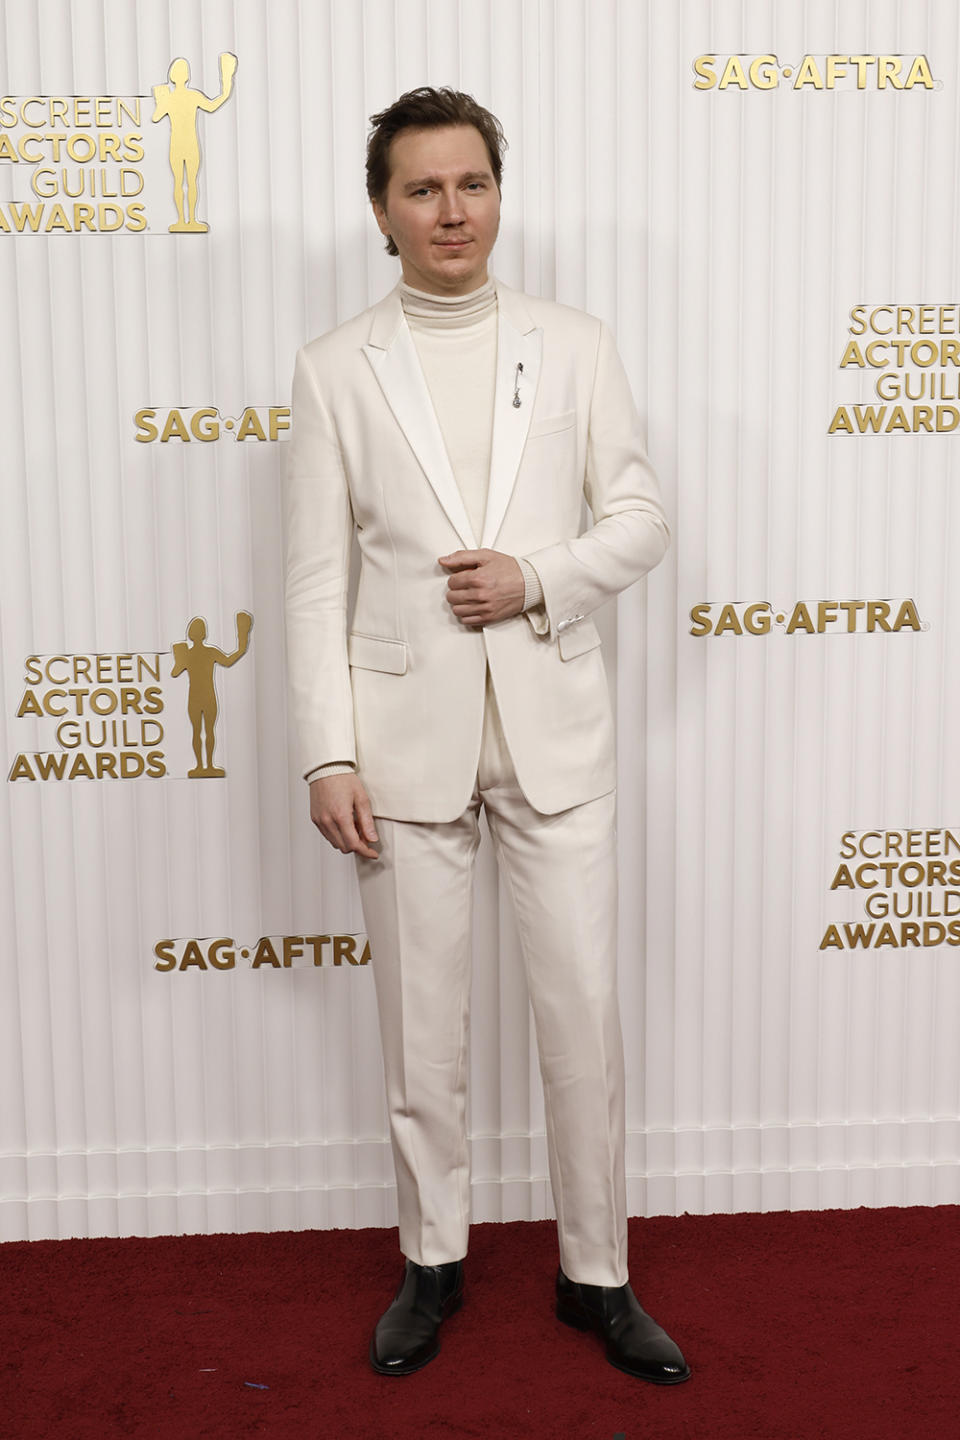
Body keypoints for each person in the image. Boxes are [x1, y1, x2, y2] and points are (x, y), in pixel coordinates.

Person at [283, 87, 688, 1385]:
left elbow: (639, 518)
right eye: (422, 189)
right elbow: (309, 583)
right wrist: (327, 752)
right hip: (402, 751)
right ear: (382, 210)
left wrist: (539, 576)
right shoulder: (334, 366)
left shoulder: (574, 345)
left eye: (472, 184)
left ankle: (598, 1278)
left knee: (583, 1024)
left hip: (555, 738)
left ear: (499, 195)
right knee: (424, 1039)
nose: (452, 212)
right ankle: (432, 1263)